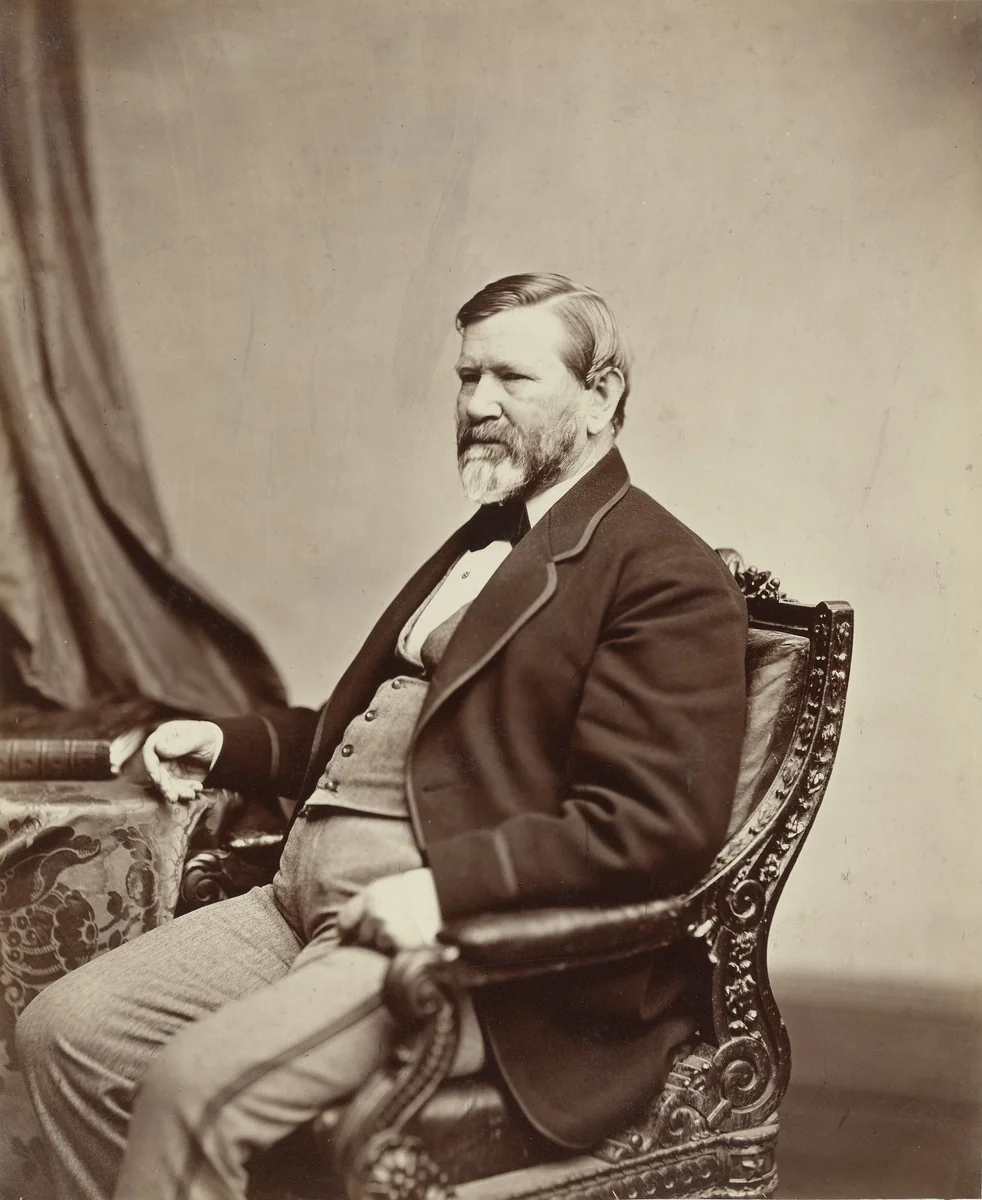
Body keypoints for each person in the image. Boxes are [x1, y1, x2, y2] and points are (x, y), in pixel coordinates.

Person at [16, 273, 748, 1200]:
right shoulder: (486, 540)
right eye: (467, 376)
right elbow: (359, 731)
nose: (478, 405)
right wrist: (223, 741)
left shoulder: (659, 572)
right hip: (294, 901)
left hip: (443, 943)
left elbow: (653, 825)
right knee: (65, 1032)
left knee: (193, 1090)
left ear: (600, 396)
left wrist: (447, 892)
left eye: (513, 380)